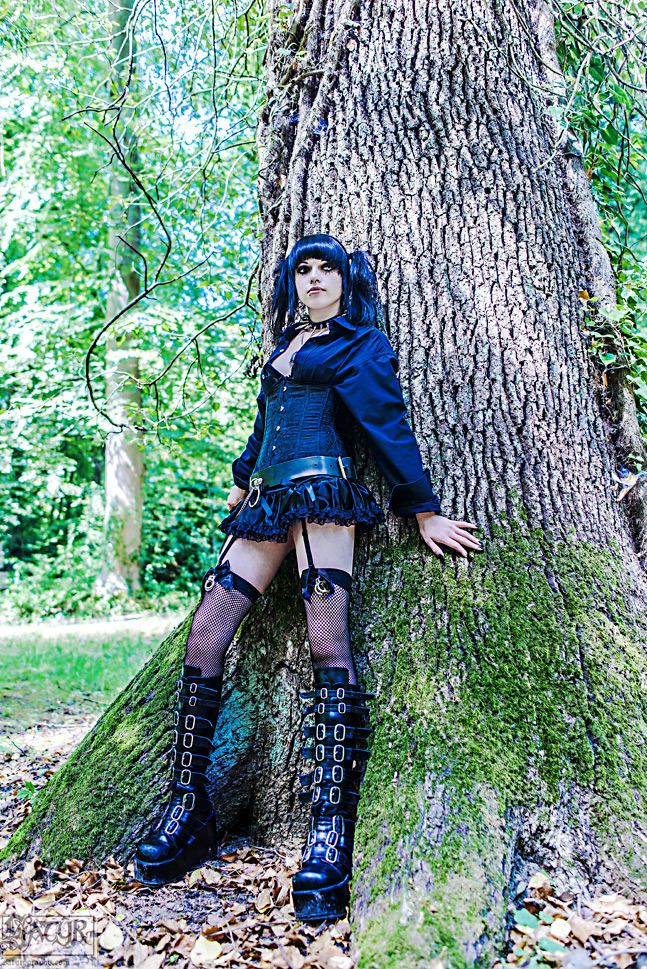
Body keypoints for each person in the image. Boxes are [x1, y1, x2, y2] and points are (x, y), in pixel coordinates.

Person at [134, 234, 481, 921]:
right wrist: (242, 481)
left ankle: (329, 827)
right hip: (267, 501)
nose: (314, 278)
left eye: (327, 269)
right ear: (291, 281)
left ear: (346, 281)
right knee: (206, 632)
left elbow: (386, 424)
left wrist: (423, 509)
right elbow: (263, 424)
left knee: (327, 641)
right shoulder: (283, 345)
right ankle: (189, 804)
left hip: (323, 495)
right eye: (304, 269)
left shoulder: (361, 345)